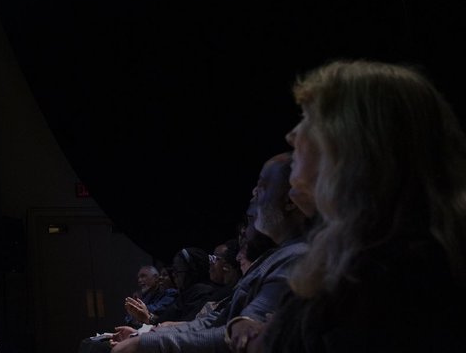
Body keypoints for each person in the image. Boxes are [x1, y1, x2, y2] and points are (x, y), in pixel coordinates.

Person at [247, 61, 466, 353]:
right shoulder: (371, 250)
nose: (292, 136)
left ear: (352, 142)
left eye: (308, 119)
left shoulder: (386, 280)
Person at [112, 153, 308, 352]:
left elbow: (243, 336)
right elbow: (215, 322)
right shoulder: (274, 257)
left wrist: (145, 343)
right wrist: (144, 336)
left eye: (263, 185)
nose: (254, 191)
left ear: (291, 199)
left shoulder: (297, 258)